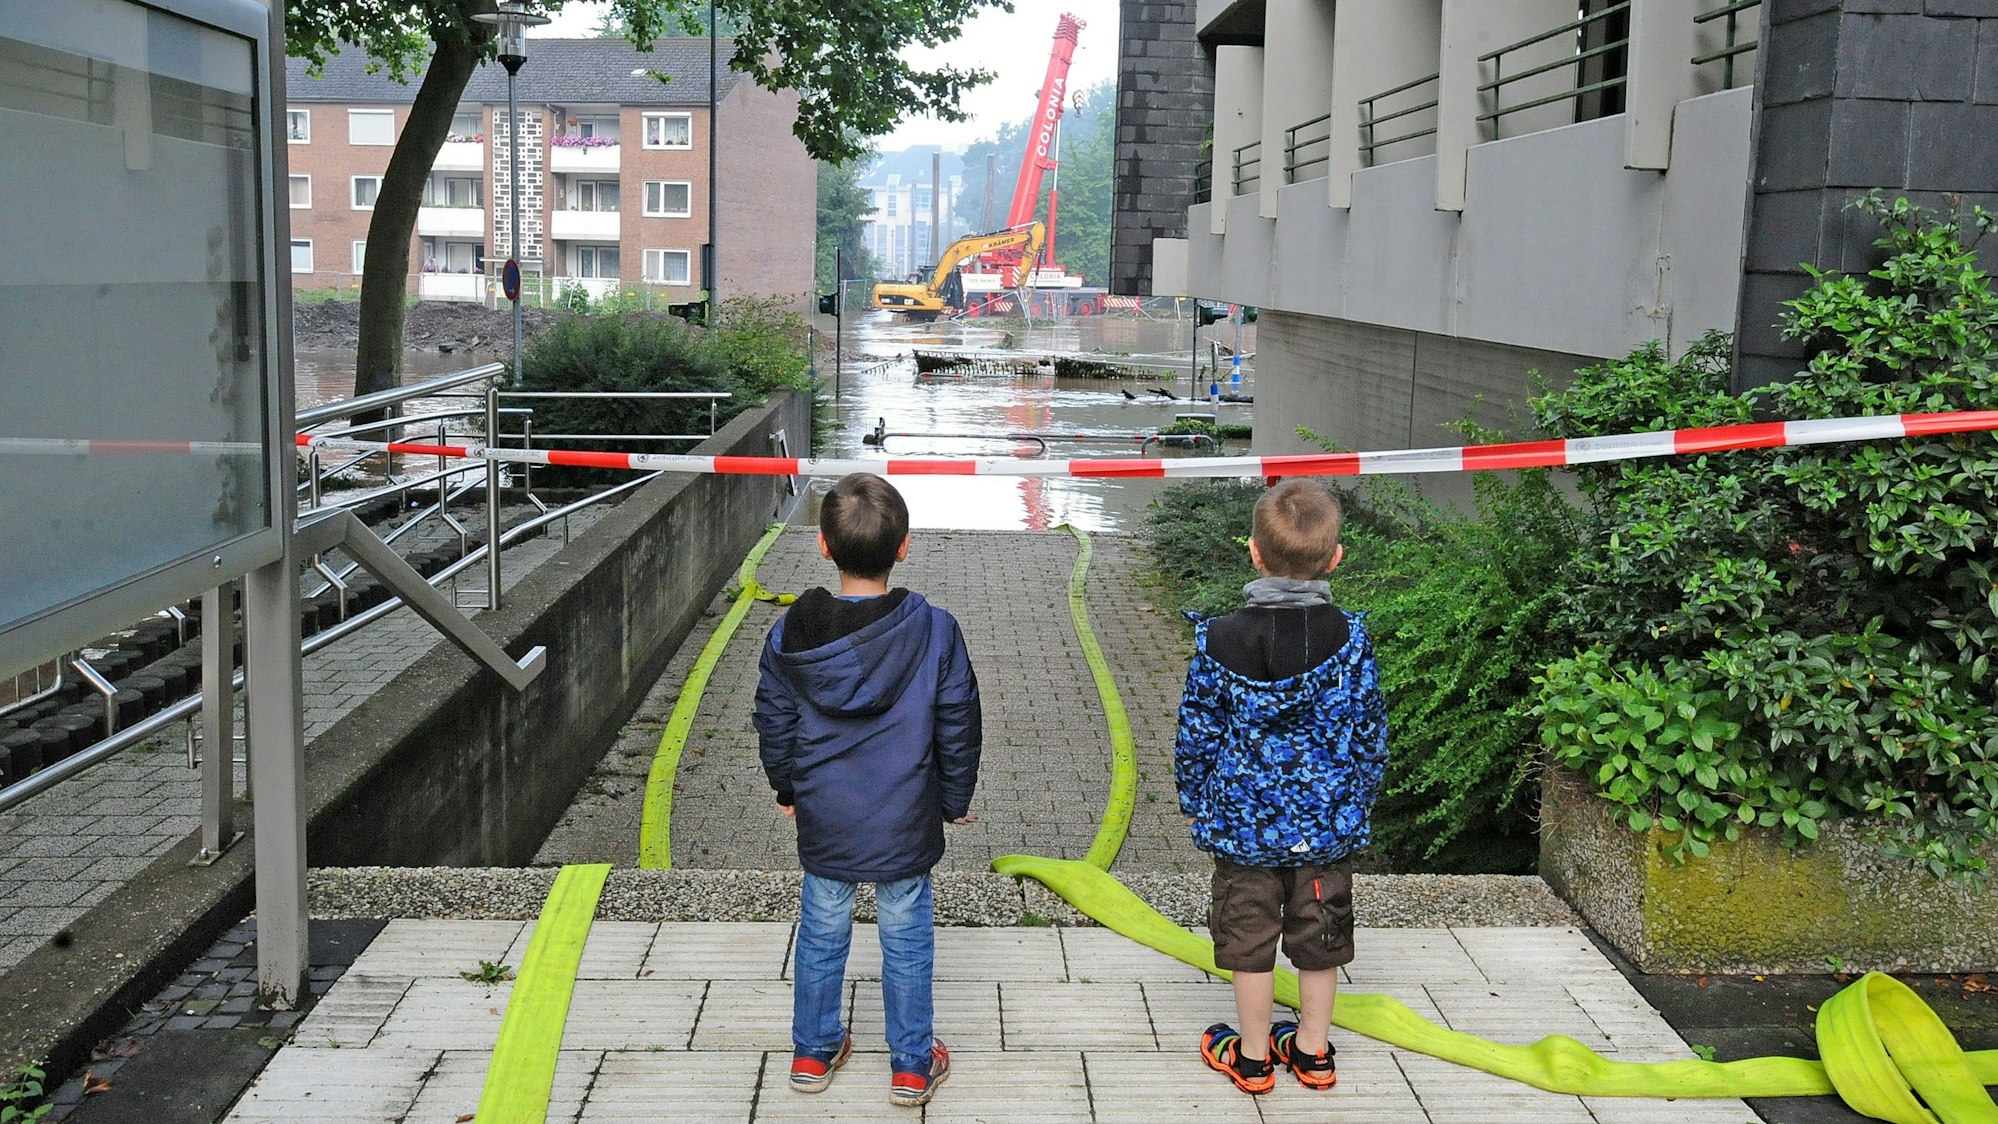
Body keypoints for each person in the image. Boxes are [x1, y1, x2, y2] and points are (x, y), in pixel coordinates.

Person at [753, 473, 983, 1108]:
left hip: (825, 808)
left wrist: (786, 783)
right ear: (904, 547)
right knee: (905, 933)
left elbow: (773, 714)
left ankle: (812, 1050)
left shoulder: (792, 635)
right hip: (905, 810)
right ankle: (911, 1064)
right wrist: (954, 797)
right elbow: (958, 718)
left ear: (823, 548)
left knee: (823, 925)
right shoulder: (935, 630)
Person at [1173, 478, 1388, 1095]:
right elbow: (1369, 730)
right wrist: (1358, 796)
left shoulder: (1218, 640)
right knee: (1321, 936)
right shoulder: (1350, 640)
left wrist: (1196, 799)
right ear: (1336, 557)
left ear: (1254, 552)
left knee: (1250, 939)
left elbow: (1197, 735)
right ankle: (1315, 1053)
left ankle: (1253, 1057)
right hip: (1326, 826)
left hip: (1243, 826)